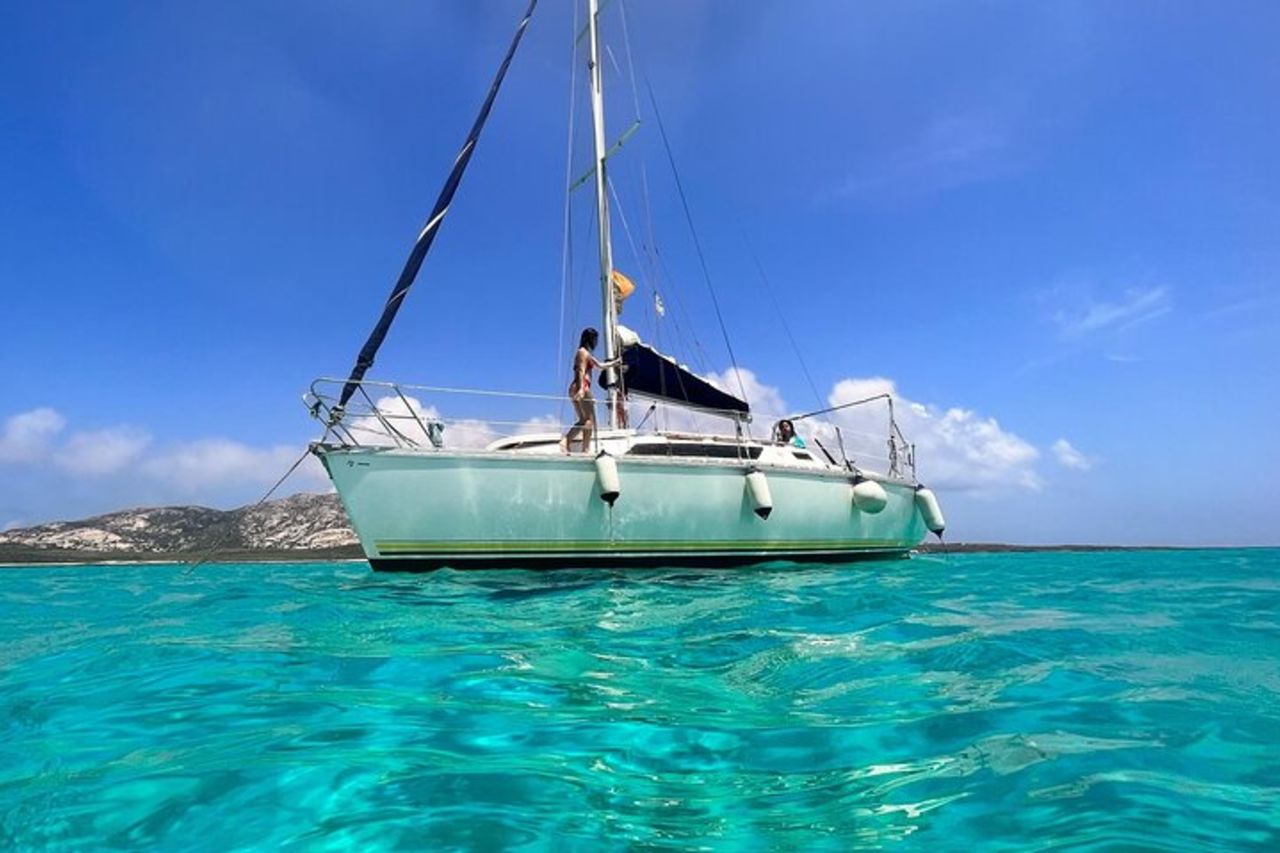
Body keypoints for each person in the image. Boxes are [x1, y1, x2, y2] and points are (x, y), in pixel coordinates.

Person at [560, 328, 620, 453]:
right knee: (588, 420)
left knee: (584, 420)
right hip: (581, 386)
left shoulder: (586, 353)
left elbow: (600, 366)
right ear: (590, 339)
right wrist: (581, 389)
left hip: (578, 387)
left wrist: (615, 363)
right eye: (595, 339)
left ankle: (572, 444)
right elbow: (580, 370)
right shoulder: (582, 352)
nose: (597, 342)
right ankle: (576, 445)